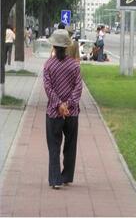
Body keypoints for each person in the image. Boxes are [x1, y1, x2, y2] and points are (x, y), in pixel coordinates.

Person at [43, 29, 82, 189]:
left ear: (53, 45)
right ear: (66, 47)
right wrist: (68, 105)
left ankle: (55, 180)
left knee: (54, 145)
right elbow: (78, 87)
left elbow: (47, 87)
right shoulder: (74, 65)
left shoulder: (48, 65)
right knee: (70, 145)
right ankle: (66, 176)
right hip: (72, 113)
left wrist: (59, 104)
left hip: (53, 112)